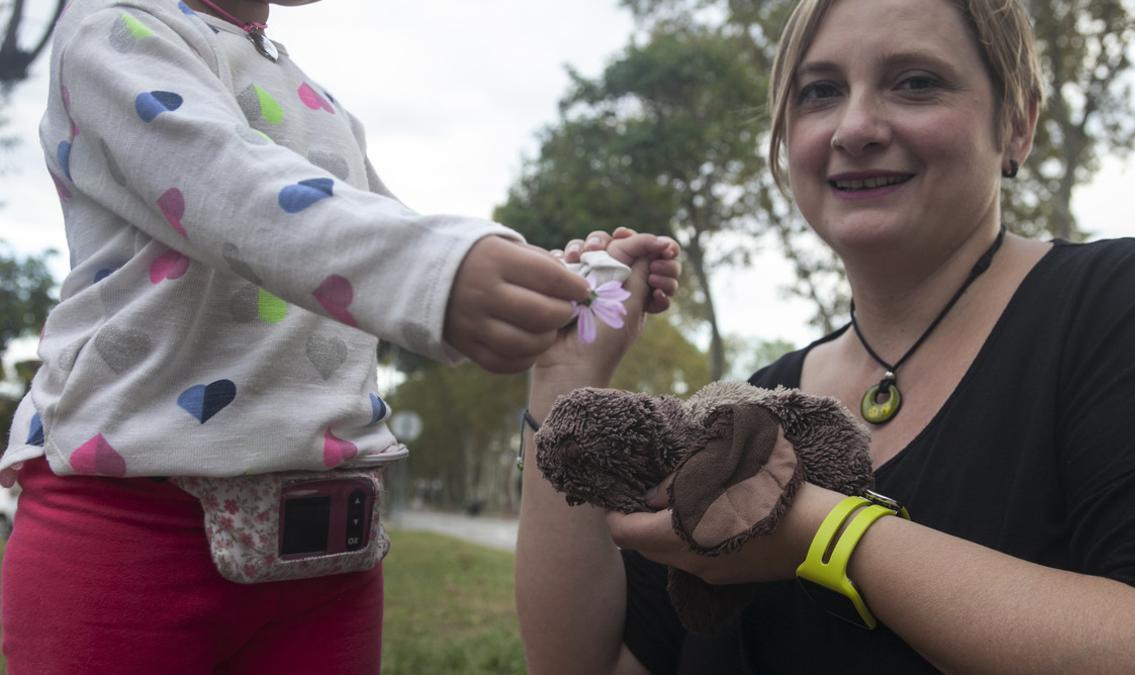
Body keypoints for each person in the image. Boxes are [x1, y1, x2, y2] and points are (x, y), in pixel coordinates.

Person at [515, 0, 1135, 672]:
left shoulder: (1126, 304)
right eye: (820, 92)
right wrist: (566, 370)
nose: (856, 126)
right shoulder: (745, 407)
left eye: (915, 82)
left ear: (1016, 124)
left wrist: (823, 532)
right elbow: (586, 662)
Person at [0, 0, 679, 672]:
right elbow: (236, 189)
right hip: (126, 525)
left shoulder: (312, 96)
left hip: (330, 547)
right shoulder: (113, 33)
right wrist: (444, 271)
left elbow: (369, 230)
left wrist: (560, 280)